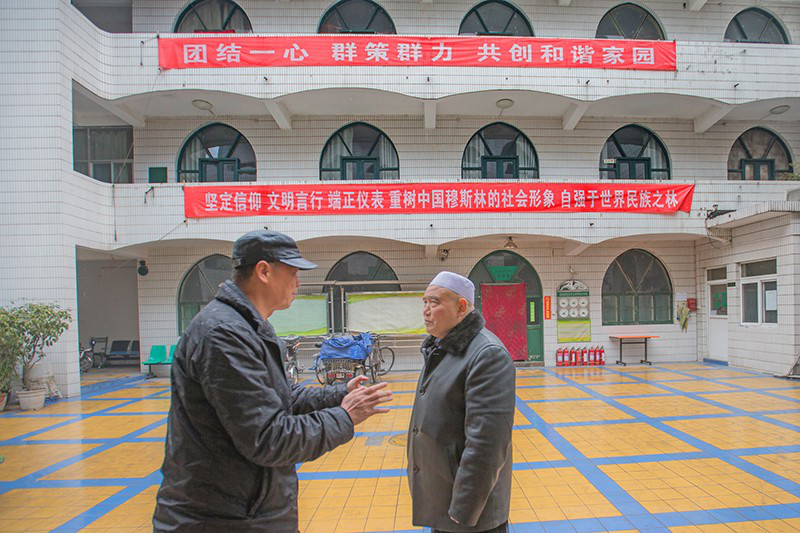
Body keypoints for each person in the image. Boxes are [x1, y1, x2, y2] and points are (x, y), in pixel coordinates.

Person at [153, 230, 393, 532]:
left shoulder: (247, 326)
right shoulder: (224, 334)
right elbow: (268, 437)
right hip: (221, 518)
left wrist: (339, 394)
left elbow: (284, 397)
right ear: (264, 271)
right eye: (292, 272)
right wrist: (345, 416)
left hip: (246, 511)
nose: (298, 283)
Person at [407, 271, 516, 533]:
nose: (426, 310)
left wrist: (463, 510)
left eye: (434, 302)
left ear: (461, 307)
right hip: (444, 501)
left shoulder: (487, 355)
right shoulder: (440, 348)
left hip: (470, 517)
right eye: (424, 302)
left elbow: (487, 444)